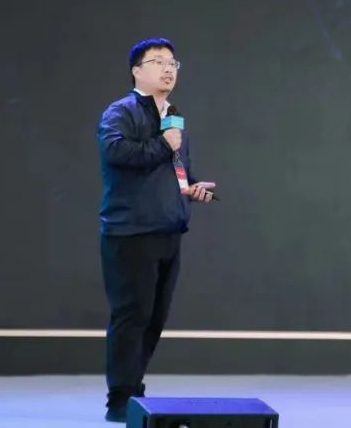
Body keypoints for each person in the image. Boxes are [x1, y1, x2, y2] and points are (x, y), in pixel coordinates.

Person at [97, 37, 217, 422]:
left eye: (172, 63)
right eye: (158, 61)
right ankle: (120, 400)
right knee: (132, 317)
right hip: (131, 233)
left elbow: (175, 170)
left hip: (169, 230)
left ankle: (135, 390)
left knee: (153, 319)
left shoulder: (174, 117)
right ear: (137, 71)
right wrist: (163, 144)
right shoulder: (121, 111)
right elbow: (116, 153)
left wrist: (191, 188)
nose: (168, 69)